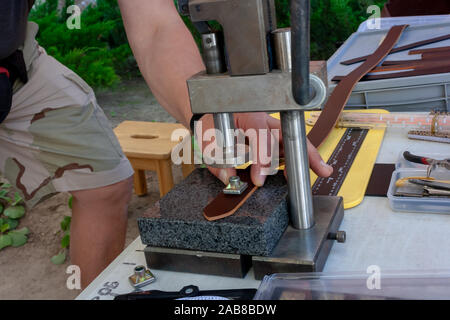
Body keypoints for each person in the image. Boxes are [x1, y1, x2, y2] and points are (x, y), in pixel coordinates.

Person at [0, 0, 332, 288]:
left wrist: (208, 117)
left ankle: (97, 292)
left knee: (104, 181)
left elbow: (155, 23)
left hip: (13, 61)